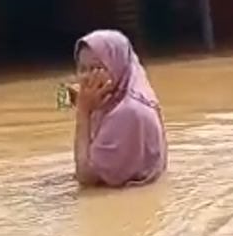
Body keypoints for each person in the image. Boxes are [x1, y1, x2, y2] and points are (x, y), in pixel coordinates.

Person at [68, 29, 167, 187]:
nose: (86, 77)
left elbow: (85, 177)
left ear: (116, 67)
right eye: (82, 69)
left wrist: (83, 112)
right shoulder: (111, 99)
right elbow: (60, 101)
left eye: (96, 68)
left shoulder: (128, 112)